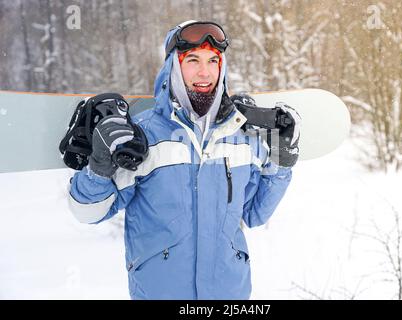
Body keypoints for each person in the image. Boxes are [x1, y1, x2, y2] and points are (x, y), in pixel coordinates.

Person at [68, 20, 300, 299]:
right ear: (173, 67)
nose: (205, 72)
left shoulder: (240, 135)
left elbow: (254, 213)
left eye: (213, 61)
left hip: (230, 294)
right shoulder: (143, 136)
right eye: (193, 60)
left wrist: (281, 162)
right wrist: (100, 166)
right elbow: (87, 213)